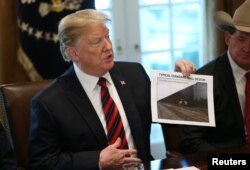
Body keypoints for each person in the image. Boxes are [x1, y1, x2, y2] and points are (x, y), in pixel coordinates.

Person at [28, 9, 195, 169]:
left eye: (107, 37)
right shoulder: (48, 103)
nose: (108, 46)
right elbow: (43, 163)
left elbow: (169, 114)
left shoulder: (134, 74)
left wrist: (179, 83)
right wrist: (97, 161)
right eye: (97, 41)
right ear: (74, 53)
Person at [179, 0, 250, 154]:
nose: (247, 48)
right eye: (241, 39)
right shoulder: (204, 79)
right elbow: (191, 141)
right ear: (228, 38)